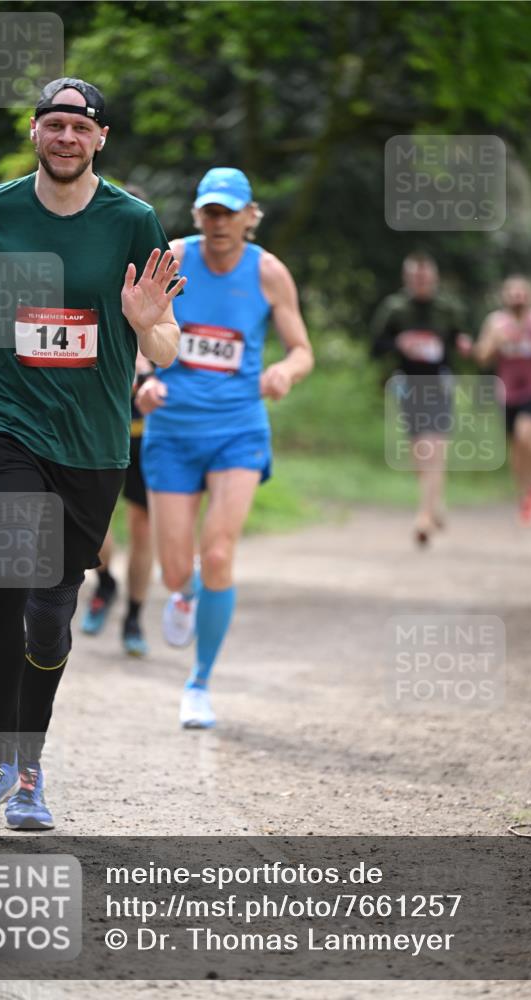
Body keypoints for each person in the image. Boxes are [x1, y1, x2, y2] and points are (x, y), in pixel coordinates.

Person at [0, 78, 184, 830]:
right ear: (34, 132)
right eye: (54, 124)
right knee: (7, 577)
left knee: (50, 613)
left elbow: (165, 339)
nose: (66, 137)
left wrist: (145, 322)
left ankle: (28, 769)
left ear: (100, 139)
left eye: (80, 127)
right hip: (5, 419)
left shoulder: (132, 221)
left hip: (93, 443)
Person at [137, 167, 314, 729]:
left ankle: (199, 682)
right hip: (172, 429)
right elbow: (140, 329)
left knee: (217, 554)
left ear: (248, 216)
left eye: (228, 212)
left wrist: (286, 371)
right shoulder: (171, 260)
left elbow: (303, 348)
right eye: (209, 212)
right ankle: (184, 594)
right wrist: (145, 379)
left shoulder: (268, 273)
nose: (218, 222)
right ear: (198, 216)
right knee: (173, 571)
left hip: (238, 428)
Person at [371, 252, 472, 546]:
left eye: (425, 277)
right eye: (415, 277)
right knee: (420, 451)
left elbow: (457, 338)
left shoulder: (448, 308)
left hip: (439, 383)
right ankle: (434, 502)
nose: (420, 282)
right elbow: (375, 346)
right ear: (406, 279)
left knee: (434, 448)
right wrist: (398, 343)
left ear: (434, 278)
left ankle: (424, 517)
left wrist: (463, 343)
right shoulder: (394, 308)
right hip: (407, 384)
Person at [80, 352, 155, 656]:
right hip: (103, 435)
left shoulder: (172, 313)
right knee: (92, 521)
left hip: (150, 441)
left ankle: (134, 618)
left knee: (143, 530)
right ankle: (106, 582)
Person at [474, 275, 531, 525]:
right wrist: (495, 342)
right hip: (507, 391)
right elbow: (481, 357)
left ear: (528, 295)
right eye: (512, 293)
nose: (517, 298)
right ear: (505, 296)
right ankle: (525, 493)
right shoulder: (496, 322)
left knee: (527, 435)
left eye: (522, 293)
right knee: (516, 446)